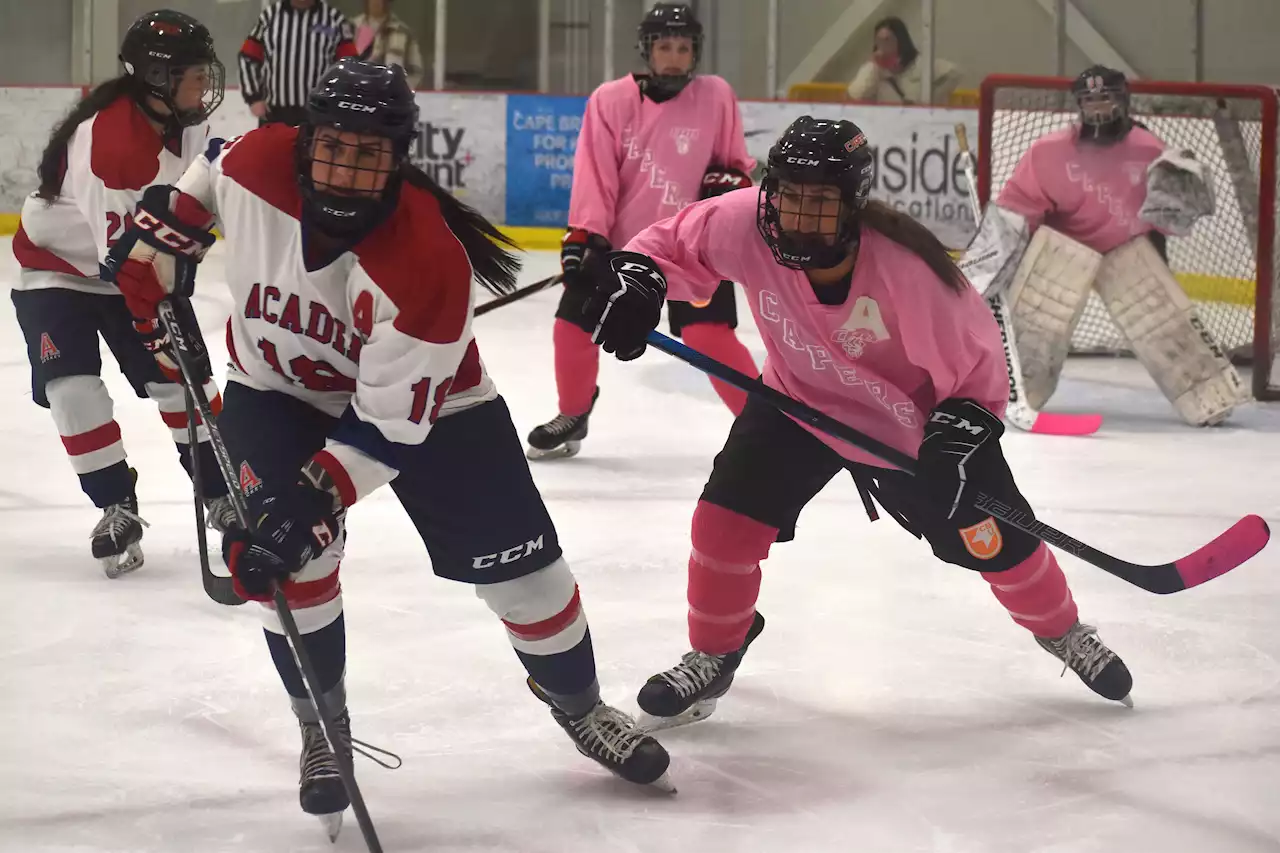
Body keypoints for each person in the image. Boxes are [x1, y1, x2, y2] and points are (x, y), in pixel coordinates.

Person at [108, 59, 672, 836]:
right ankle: (324, 730)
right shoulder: (257, 160)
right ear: (305, 143)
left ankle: (580, 707)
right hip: (275, 391)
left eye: (369, 155)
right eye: (333, 147)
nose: (346, 169)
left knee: (530, 579)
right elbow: (205, 174)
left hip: (435, 411)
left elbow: (388, 427)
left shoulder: (426, 262)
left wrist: (310, 499)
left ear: (399, 160)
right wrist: (161, 234)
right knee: (295, 568)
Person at [577, 115, 1135, 731]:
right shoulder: (745, 222)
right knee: (723, 524)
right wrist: (639, 285)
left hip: (909, 431)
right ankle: (714, 652)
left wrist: (959, 431)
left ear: (852, 207)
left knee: (1000, 541)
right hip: (796, 404)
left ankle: (1064, 632)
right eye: (787, 195)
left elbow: (978, 365)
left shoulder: (907, 269)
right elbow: (669, 244)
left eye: (818, 203)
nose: (795, 215)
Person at [9, 9, 233, 579]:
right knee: (73, 387)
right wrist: (164, 320)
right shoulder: (108, 144)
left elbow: (188, 209)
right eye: (191, 72)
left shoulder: (184, 119)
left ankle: (224, 491)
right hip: (59, 271)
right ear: (155, 77)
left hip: (128, 265)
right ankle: (115, 503)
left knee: (182, 386)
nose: (205, 83)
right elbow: (128, 264)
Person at [526, 2, 759, 460]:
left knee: (709, 337)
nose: (674, 56)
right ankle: (574, 413)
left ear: (696, 53)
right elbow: (595, 174)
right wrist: (585, 234)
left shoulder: (715, 95)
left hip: (692, 249)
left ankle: (762, 428)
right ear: (647, 51)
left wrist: (729, 181)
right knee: (572, 327)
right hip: (623, 249)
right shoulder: (610, 100)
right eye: (665, 46)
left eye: (684, 47)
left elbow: (734, 164)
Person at [968, 65, 1236, 426]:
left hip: (1126, 252)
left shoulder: (1151, 151)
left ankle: (1208, 398)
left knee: (1165, 327)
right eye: (1089, 100)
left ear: (1123, 100)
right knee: (1035, 329)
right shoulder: (1049, 153)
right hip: (1063, 252)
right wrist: (989, 266)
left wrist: (1182, 199)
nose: (1097, 108)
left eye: (1105, 97)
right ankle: (1008, 392)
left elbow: (1168, 222)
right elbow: (1016, 214)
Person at [239, 0, 357, 126]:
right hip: (275, 113)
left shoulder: (334, 19)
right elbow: (248, 57)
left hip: (318, 114)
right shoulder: (270, 16)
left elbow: (350, 65)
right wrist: (254, 98)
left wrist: (341, 102)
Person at [846, 16, 961, 106]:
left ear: (901, 41)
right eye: (879, 41)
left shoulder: (919, 65)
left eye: (887, 40)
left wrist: (932, 101)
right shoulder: (874, 71)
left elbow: (954, 73)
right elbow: (853, 96)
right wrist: (873, 66)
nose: (883, 46)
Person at [352, 0, 424, 88]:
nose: (375, 2)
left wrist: (401, 90)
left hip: (391, 95)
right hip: (358, 94)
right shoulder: (352, 29)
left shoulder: (402, 32)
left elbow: (416, 71)